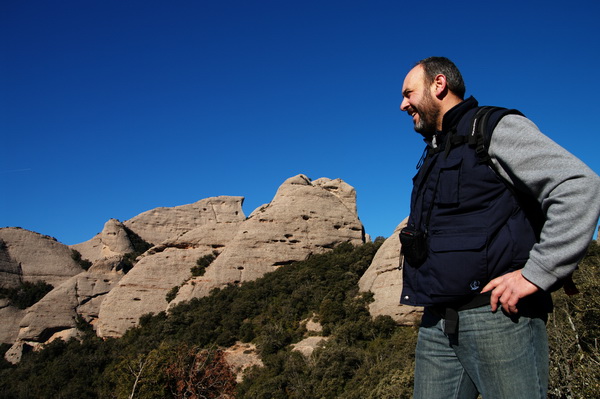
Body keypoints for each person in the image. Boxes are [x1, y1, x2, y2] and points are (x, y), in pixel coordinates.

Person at [398, 56, 600, 399]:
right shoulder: (435, 150)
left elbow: (579, 186)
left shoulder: (492, 128)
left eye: (408, 93)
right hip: (437, 324)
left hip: (497, 319)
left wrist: (537, 273)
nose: (403, 104)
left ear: (439, 84)